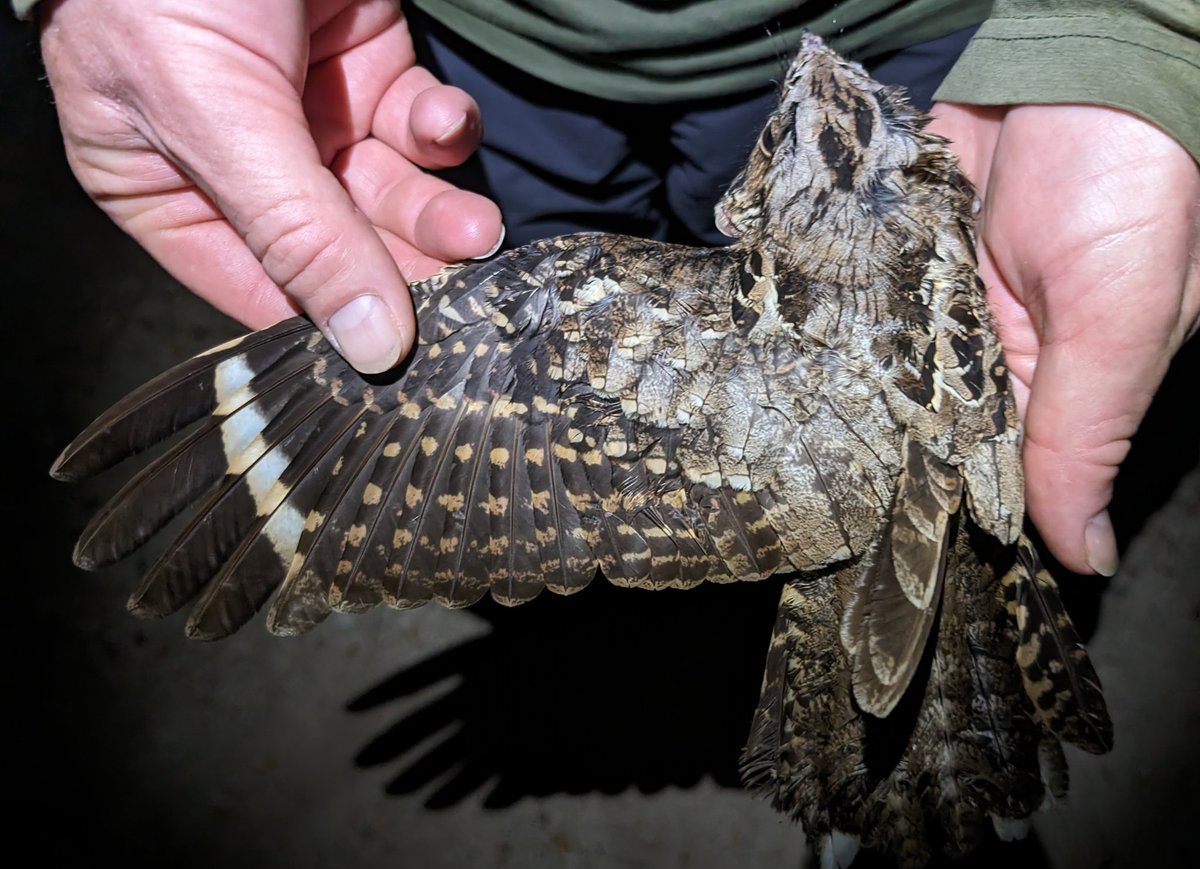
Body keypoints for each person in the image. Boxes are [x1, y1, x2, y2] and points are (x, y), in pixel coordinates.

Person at [23, 0, 1200, 580]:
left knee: (921, 498)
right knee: (490, 314)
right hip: (480, 44)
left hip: (908, 41)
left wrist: (1134, 31)